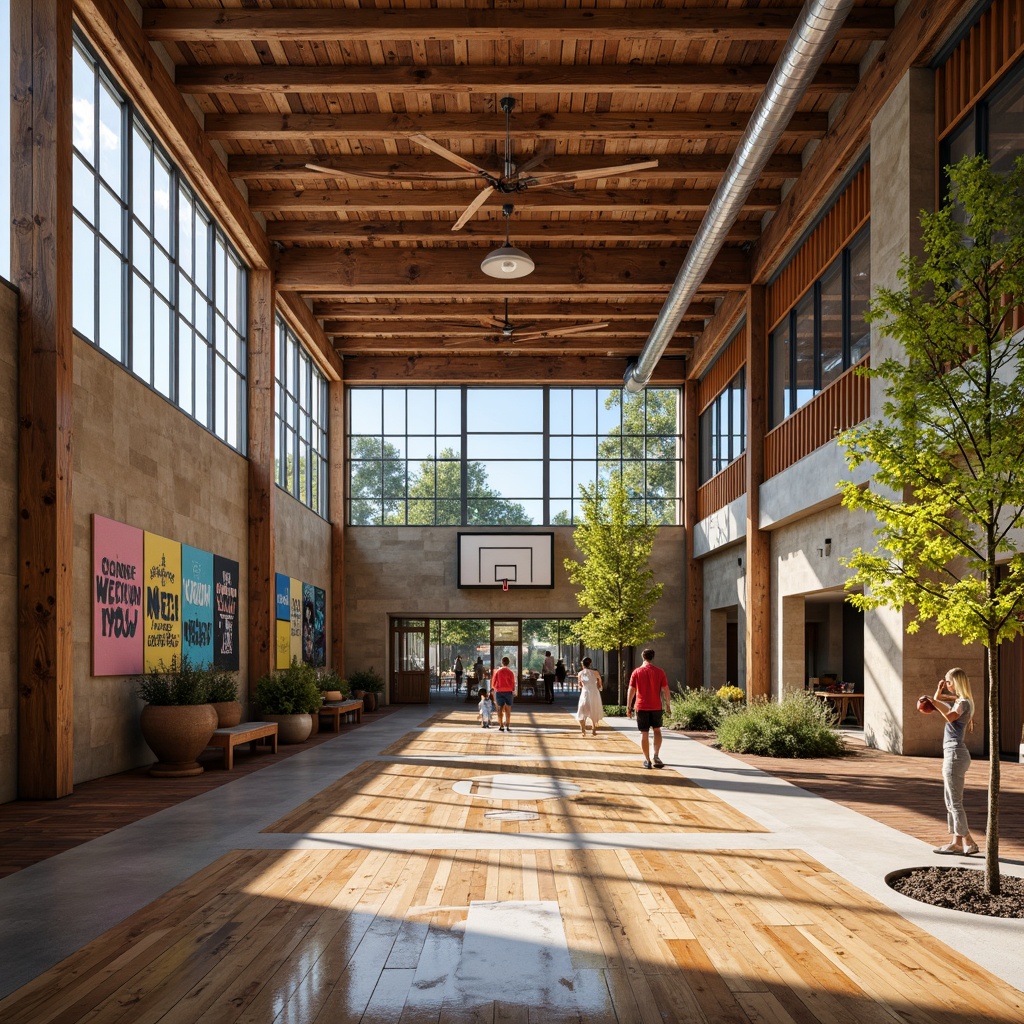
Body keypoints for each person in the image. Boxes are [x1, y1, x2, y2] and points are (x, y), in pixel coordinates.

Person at [919, 667, 978, 856]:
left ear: (957, 682)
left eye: (949, 682)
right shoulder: (958, 701)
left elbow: (949, 717)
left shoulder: (963, 703)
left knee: (955, 802)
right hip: (952, 753)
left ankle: (968, 840)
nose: (947, 685)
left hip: (955, 753)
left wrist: (935, 705)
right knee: (950, 801)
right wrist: (938, 691)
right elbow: (939, 700)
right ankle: (956, 843)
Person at [626, 649, 671, 769]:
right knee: (657, 730)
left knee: (644, 732)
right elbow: (666, 689)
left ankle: (647, 760)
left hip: (641, 706)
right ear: (653, 657)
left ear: (642, 657)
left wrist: (629, 706)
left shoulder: (636, 672)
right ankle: (656, 756)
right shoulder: (660, 672)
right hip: (656, 706)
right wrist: (668, 705)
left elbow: (631, 690)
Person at [576, 657, 604, 736]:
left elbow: (580, 685)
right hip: (594, 693)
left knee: (582, 709)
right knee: (594, 709)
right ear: (590, 664)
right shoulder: (595, 673)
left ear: (582, 664)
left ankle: (583, 728)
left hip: (585, 693)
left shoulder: (580, 673)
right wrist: (600, 687)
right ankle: (594, 728)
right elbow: (600, 682)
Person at [491, 656, 516, 732]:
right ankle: (508, 725)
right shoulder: (511, 672)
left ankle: (501, 725)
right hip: (508, 691)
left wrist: (496, 688)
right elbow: (513, 682)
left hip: (499, 691)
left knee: (500, 709)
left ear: (502, 662)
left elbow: (493, 682)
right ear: (508, 663)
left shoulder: (498, 671)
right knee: (508, 709)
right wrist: (512, 690)